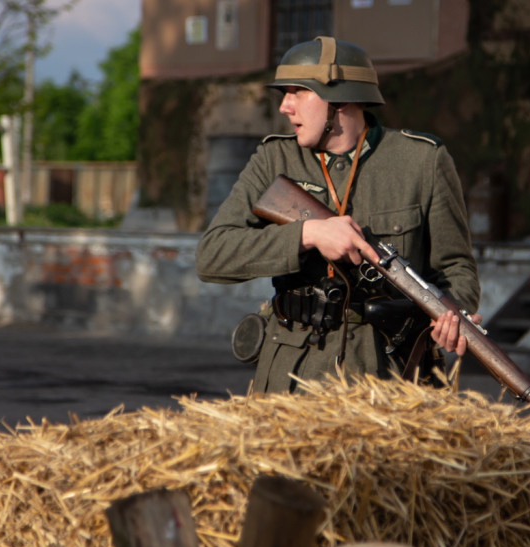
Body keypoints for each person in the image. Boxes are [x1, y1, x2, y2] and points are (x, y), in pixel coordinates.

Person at [196, 36, 480, 393]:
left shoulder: (422, 161)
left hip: (390, 373)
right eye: (285, 93)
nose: (285, 106)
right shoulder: (274, 161)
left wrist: (453, 314)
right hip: (293, 374)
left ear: (339, 100)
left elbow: (457, 269)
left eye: (298, 91)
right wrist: (307, 234)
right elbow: (211, 255)